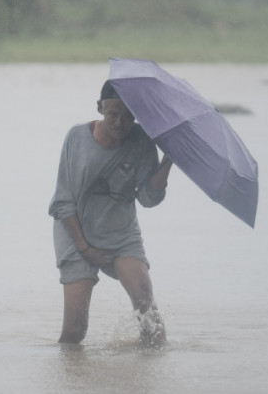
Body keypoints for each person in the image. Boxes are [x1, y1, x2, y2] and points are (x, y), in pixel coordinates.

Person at [49, 80, 174, 345]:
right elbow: (62, 202)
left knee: (149, 317)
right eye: (113, 114)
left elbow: (148, 199)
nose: (120, 122)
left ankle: (150, 378)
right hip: (75, 233)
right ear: (100, 108)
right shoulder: (77, 138)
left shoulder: (142, 141)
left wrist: (169, 160)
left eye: (129, 116)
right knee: (75, 330)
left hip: (121, 234)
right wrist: (85, 249)